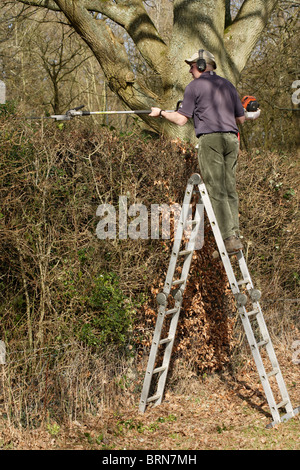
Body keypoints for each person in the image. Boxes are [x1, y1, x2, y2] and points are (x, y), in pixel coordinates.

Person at [149, 49, 260, 254]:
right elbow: (241, 119)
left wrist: (161, 113)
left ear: (201, 65)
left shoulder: (194, 87)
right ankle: (234, 235)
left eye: (191, 66)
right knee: (229, 189)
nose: (190, 71)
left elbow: (182, 119)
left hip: (211, 140)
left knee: (216, 189)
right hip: (231, 139)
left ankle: (228, 238)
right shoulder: (228, 85)